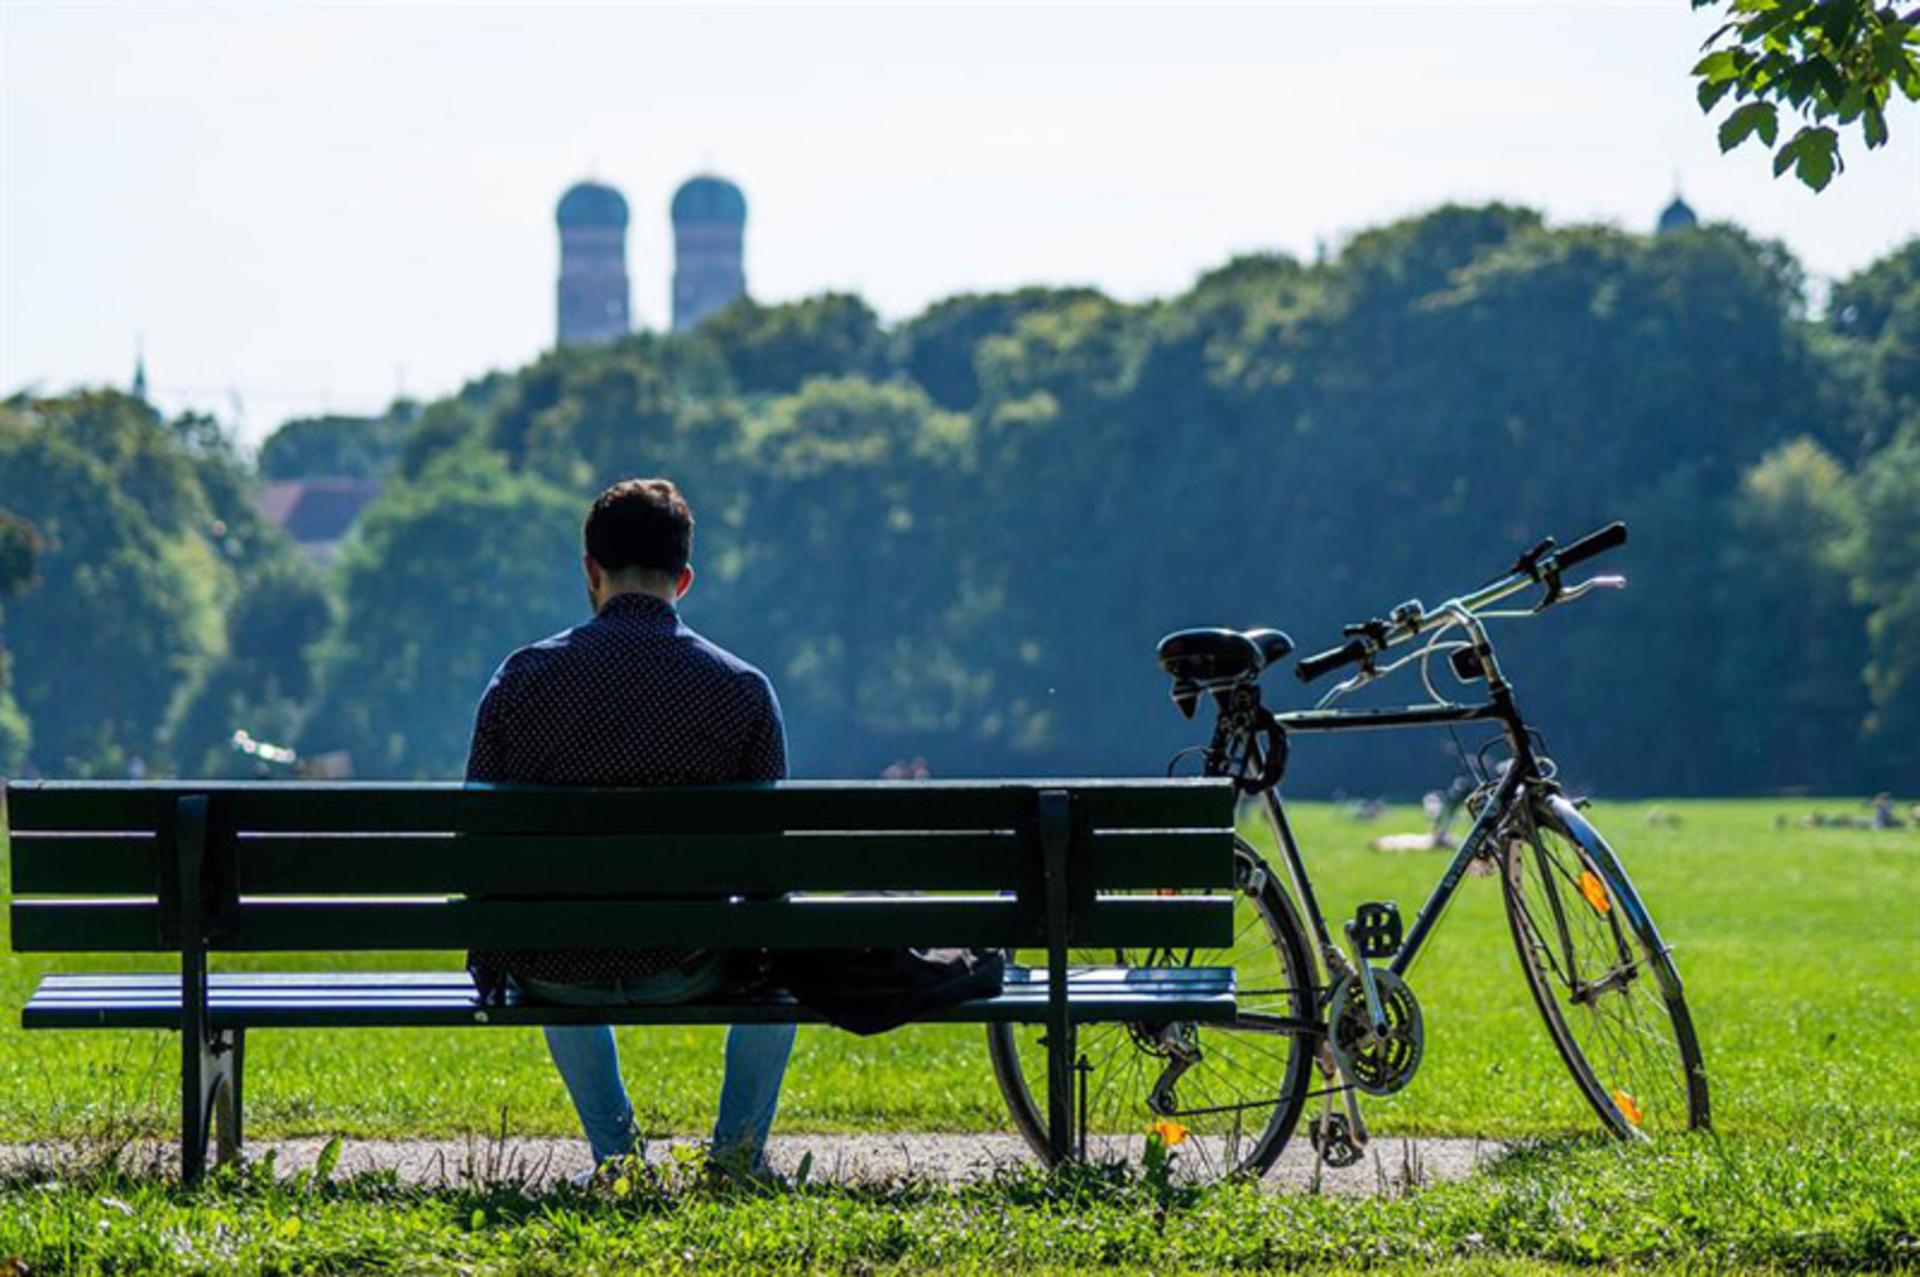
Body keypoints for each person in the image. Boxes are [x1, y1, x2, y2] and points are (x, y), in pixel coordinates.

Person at [464, 478, 793, 1177]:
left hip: (557, 967)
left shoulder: (523, 679)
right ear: (684, 578)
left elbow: (479, 844)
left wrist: (496, 950)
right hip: (686, 961)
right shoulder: (740, 689)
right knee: (791, 959)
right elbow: (769, 869)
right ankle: (736, 1155)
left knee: (555, 933)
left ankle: (618, 1159)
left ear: (591, 570)